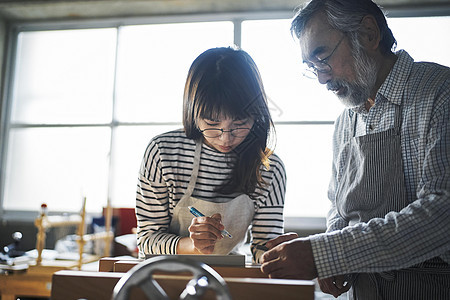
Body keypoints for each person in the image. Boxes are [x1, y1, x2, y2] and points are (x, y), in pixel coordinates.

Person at [260, 0, 450, 299]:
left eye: (322, 57)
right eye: (312, 68)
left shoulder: (440, 92)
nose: (321, 77)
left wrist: (324, 253)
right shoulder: (345, 121)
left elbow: (441, 215)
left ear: (368, 34)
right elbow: (338, 206)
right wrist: (328, 253)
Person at [136, 47, 286, 264]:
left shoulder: (269, 168)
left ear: (257, 116)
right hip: (163, 275)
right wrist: (191, 244)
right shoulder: (163, 152)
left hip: (229, 277)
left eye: (240, 123)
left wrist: (278, 254)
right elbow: (146, 239)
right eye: (212, 124)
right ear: (192, 112)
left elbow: (264, 247)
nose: (225, 138)